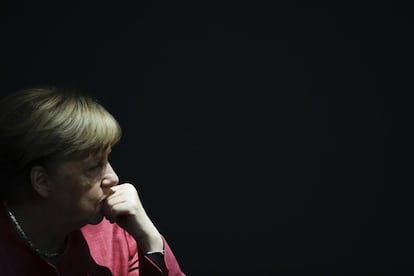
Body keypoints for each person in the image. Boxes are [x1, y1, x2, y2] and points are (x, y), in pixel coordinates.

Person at [0, 87, 185, 275]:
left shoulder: (118, 238)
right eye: (95, 166)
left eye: (107, 160)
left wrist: (150, 240)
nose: (113, 178)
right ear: (42, 181)